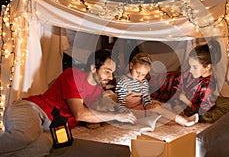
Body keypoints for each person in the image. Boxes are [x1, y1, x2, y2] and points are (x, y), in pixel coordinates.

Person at [0, 50, 137, 156]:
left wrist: (122, 113)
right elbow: (80, 114)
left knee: (40, 148)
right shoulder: (73, 75)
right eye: (107, 71)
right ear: (93, 68)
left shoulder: (97, 91)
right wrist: (115, 116)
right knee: (24, 136)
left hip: (51, 127)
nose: (111, 77)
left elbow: (93, 117)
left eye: (112, 72)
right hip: (34, 108)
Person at [115, 52, 198, 127]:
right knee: (154, 113)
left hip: (140, 106)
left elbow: (146, 98)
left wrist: (149, 106)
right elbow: (121, 102)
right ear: (131, 65)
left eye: (143, 75)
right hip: (129, 110)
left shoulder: (143, 82)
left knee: (156, 109)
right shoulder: (123, 81)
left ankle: (182, 120)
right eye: (137, 72)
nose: (139, 76)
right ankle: (182, 120)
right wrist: (122, 115)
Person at [172, 44, 218, 118]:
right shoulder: (193, 73)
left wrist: (185, 100)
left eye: (195, 67)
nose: (190, 70)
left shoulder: (207, 87)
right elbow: (177, 82)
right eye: (190, 66)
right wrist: (176, 104)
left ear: (207, 67)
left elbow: (202, 110)